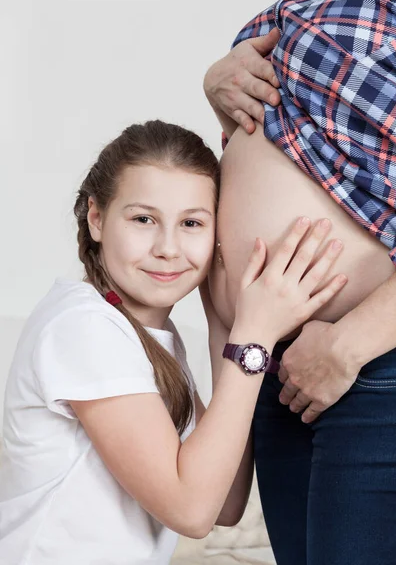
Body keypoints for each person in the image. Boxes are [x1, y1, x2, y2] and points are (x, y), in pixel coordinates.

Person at [0, 119, 346, 565]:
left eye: (191, 223)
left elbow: (226, 500)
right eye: (143, 219)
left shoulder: (147, 336)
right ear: (97, 218)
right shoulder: (83, 328)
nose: (168, 247)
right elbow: (193, 511)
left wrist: (225, 318)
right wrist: (255, 334)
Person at [203, 0, 396, 564]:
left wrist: (346, 345)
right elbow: (318, 132)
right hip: (270, 368)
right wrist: (218, 84)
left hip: (370, 364)